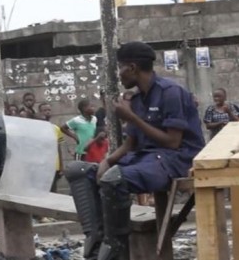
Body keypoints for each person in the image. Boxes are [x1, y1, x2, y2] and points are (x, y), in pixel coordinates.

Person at [64, 41, 205, 260]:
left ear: (132, 67)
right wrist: (107, 161)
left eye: (120, 68)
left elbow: (172, 142)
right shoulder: (137, 99)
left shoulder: (170, 92)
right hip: (146, 158)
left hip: (176, 159)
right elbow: (131, 143)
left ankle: (116, 253)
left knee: (114, 180)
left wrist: (131, 117)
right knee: (78, 171)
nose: (119, 75)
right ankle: (95, 247)